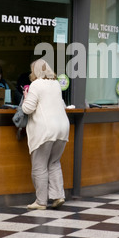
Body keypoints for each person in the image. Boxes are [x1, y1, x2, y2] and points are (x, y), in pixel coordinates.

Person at [22, 59, 70, 210]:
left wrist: (25, 95)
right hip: (62, 127)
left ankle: (41, 202)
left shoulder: (36, 85)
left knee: (39, 165)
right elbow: (61, 104)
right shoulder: (56, 84)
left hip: (45, 130)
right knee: (54, 162)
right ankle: (58, 196)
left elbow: (27, 109)